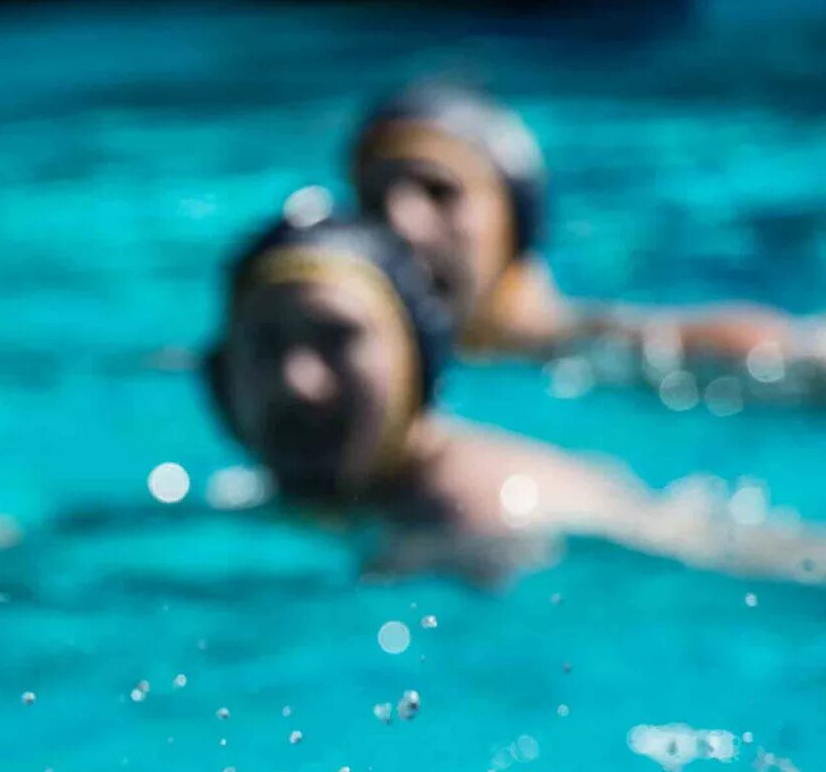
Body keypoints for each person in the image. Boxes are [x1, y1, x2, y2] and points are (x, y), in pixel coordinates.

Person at [206, 206, 826, 584]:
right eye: (264, 345)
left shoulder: (469, 514)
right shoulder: (371, 493)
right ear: (221, 380)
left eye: (338, 338)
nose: (298, 380)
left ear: (417, 363)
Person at [349, 80, 820, 378]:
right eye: (374, 199)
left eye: (439, 192)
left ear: (517, 216)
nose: (400, 223)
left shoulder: (635, 354)